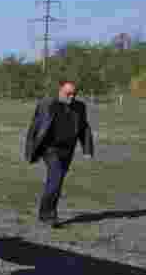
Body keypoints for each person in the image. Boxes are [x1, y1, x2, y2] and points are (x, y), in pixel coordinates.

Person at [24, 80, 95, 227]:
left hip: (67, 151)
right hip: (50, 149)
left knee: (57, 182)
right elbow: (34, 127)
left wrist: (87, 149)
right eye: (68, 94)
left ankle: (47, 213)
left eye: (74, 94)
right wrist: (30, 150)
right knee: (55, 178)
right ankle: (49, 215)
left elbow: (84, 128)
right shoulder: (47, 104)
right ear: (60, 91)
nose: (71, 97)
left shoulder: (80, 107)